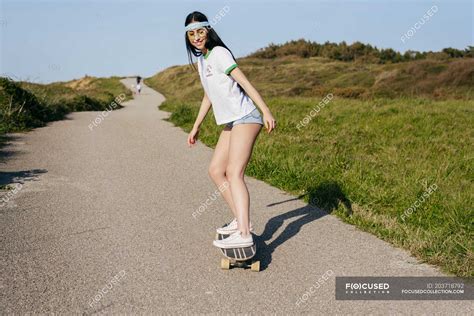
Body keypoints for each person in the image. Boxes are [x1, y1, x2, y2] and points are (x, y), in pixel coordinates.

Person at [185, 11, 276, 249]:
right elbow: (209, 95)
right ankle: (240, 221)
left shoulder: (219, 54)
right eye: (191, 33)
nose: (196, 37)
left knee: (234, 173)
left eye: (200, 31)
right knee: (216, 170)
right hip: (231, 121)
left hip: (246, 117)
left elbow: (244, 82)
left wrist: (265, 111)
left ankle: (244, 232)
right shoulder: (203, 60)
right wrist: (196, 126)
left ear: (208, 31)